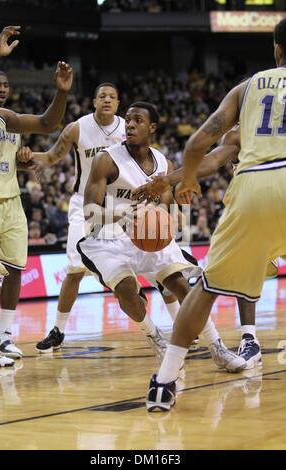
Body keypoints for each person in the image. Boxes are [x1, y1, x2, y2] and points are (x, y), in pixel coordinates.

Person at [146, 18, 286, 411]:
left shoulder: (249, 88)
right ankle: (248, 336)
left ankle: (165, 382)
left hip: (256, 188)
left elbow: (198, 146)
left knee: (206, 286)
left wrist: (183, 181)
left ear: (277, 51)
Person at [74, 101, 246, 370]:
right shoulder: (105, 159)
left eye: (138, 121)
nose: (129, 125)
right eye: (128, 120)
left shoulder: (162, 163)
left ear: (152, 127)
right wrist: (120, 216)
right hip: (108, 236)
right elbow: (89, 212)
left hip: (148, 234)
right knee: (127, 290)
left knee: (182, 287)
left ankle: (217, 346)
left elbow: (167, 210)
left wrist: (180, 208)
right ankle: (155, 336)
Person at [21, 83, 184, 353]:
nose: (107, 100)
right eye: (101, 96)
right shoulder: (78, 127)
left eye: (112, 97)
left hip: (130, 205)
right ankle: (59, 330)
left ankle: (182, 325)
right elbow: (50, 157)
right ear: (93, 101)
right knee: (76, 267)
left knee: (164, 262)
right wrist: (25, 156)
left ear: (119, 103)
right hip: (87, 206)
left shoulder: (130, 125)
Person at [133, 126, 278, 369]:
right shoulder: (239, 133)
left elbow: (208, 159)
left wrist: (172, 179)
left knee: (236, 271)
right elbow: (211, 161)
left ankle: (245, 340)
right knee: (244, 269)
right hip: (257, 207)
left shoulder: (244, 130)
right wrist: (175, 179)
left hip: (263, 204)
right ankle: (249, 338)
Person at [0, 26, 73, 367]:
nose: (1, 88)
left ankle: (3, 337)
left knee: (11, 270)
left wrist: (61, 93)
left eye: (5, 84)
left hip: (10, 203)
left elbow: (47, 123)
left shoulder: (3, 118)